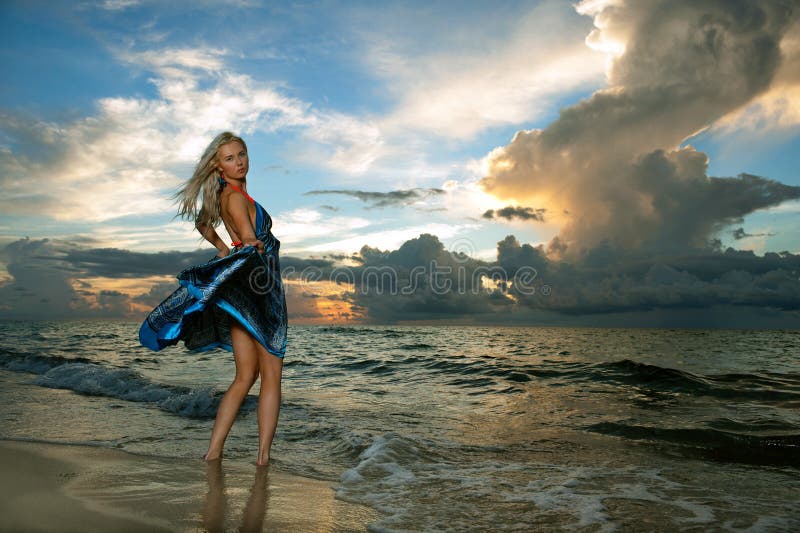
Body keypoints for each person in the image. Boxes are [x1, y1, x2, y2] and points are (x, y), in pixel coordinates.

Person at [139, 132, 288, 467]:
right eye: (230, 158)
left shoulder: (225, 195)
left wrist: (223, 248)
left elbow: (203, 223)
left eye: (242, 154)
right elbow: (248, 235)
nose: (239, 162)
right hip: (261, 292)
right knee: (271, 377)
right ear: (218, 166)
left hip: (240, 293)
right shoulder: (235, 197)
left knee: (245, 377)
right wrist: (249, 241)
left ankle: (213, 452)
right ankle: (263, 458)